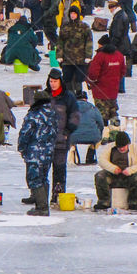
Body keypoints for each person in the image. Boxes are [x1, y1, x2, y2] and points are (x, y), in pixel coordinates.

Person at [17, 90, 58, 217]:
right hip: (49, 151)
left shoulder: (33, 115)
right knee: (43, 177)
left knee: (34, 178)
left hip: (35, 151)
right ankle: (41, 201)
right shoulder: (54, 114)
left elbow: (25, 133)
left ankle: (42, 207)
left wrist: (22, 148)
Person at [45, 69, 80, 203]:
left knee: (59, 169)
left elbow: (75, 116)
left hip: (61, 139)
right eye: (51, 81)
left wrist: (68, 131)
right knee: (42, 169)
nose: (52, 84)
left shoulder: (68, 97)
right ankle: (39, 195)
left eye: (55, 81)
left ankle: (58, 196)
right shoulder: (45, 95)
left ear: (60, 82)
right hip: (45, 140)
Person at [94, 131, 137, 211]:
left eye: (124, 146)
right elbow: (102, 160)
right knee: (100, 175)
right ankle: (104, 202)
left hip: (129, 177)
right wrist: (113, 169)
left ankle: (133, 202)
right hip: (113, 176)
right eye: (119, 147)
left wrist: (130, 170)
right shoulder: (110, 147)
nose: (122, 149)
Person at [87, 35, 126, 125]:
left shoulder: (100, 56)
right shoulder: (119, 55)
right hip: (113, 90)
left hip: (100, 91)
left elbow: (93, 73)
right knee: (113, 112)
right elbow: (123, 71)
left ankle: (104, 134)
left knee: (101, 115)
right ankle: (115, 133)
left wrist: (91, 81)